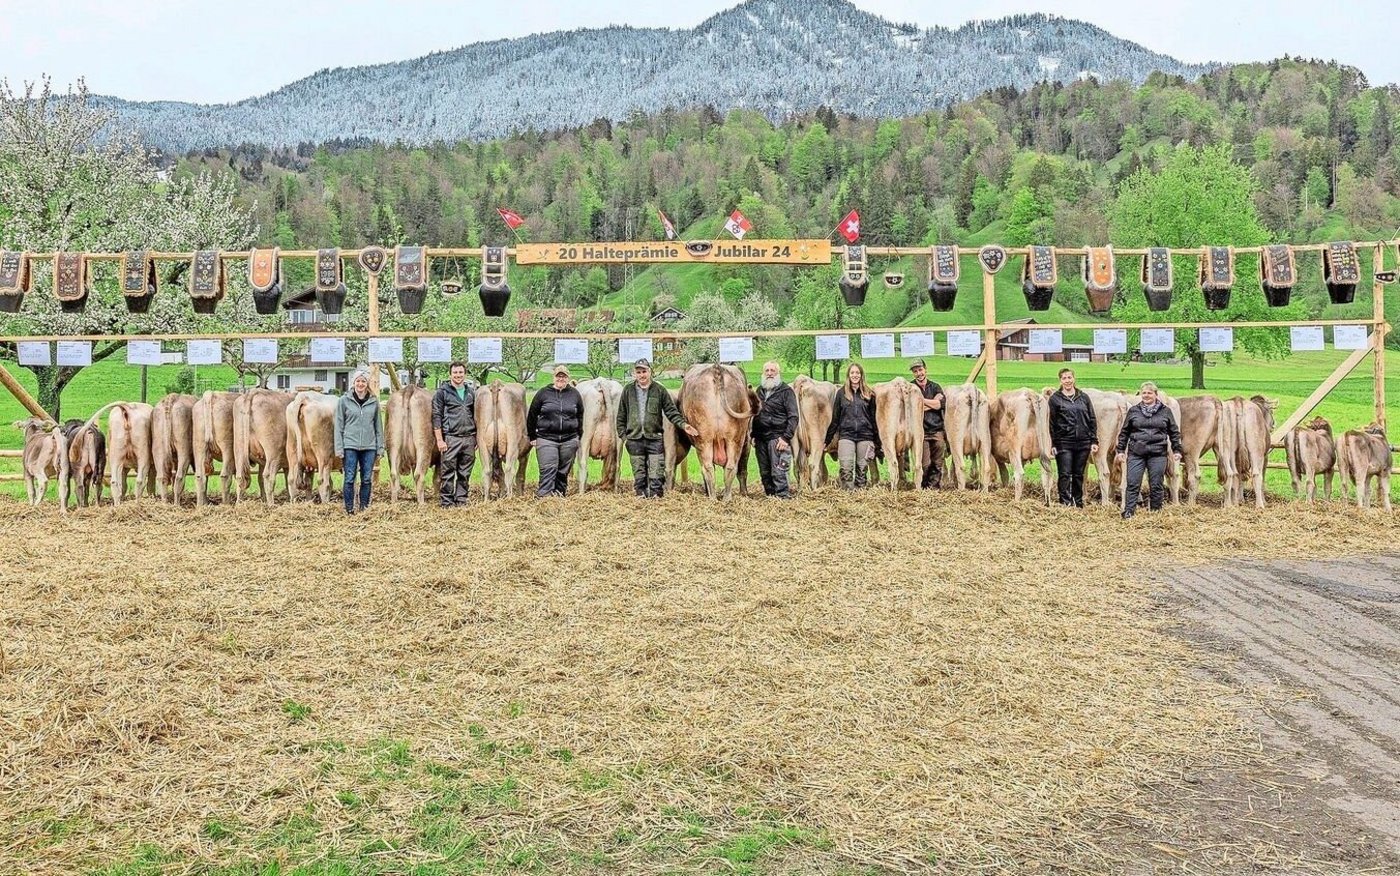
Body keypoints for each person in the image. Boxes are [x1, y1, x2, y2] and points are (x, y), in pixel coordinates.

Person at [615, 358, 697, 498]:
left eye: (644, 371)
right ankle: (640, 496)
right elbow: (621, 416)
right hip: (634, 439)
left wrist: (684, 425)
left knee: (656, 472)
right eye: (639, 372)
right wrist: (624, 437)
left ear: (650, 372)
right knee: (639, 472)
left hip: (654, 438)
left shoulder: (659, 390)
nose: (642, 375)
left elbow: (671, 411)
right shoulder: (628, 390)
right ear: (635, 373)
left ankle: (655, 499)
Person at [1115, 381, 1183, 519]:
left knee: (1156, 483)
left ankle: (1156, 512)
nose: (1146, 396)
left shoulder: (1165, 411)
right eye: (1144, 393)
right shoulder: (1134, 411)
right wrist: (1121, 450)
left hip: (1158, 453)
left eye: (1149, 393)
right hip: (1136, 452)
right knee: (1133, 482)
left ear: (1155, 394)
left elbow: (1174, 432)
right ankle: (1129, 511)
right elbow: (1125, 432)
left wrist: (1177, 449)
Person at [527, 365, 584, 498]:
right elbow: (532, 415)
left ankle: (559, 495)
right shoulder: (543, 393)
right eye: (558, 376)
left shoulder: (574, 394)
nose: (561, 378)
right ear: (554, 377)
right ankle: (545, 497)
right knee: (548, 468)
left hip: (569, 439)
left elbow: (580, 415)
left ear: (568, 378)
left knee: (563, 471)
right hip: (547, 438)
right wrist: (532, 436)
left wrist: (578, 436)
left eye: (563, 376)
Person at [334, 369, 384, 514]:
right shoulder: (344, 401)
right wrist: (339, 448)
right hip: (350, 445)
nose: (360, 384)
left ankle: (364, 508)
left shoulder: (373, 402)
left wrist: (380, 448)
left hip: (369, 446)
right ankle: (349, 508)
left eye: (363, 381)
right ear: (353, 383)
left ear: (367, 383)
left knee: (367, 478)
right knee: (350, 478)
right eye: (358, 381)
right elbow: (339, 426)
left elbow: (378, 427)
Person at [1047, 367, 1099, 507]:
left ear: (1074, 379)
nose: (1067, 381)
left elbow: (1092, 418)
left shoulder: (1083, 397)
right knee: (1065, 473)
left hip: (1083, 441)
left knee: (1078, 474)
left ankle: (1078, 500)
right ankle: (1065, 501)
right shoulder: (1055, 399)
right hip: (1064, 442)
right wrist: (1053, 443)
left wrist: (1093, 439)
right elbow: (1051, 423)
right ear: (1060, 381)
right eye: (1064, 378)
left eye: (1069, 377)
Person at [824, 362, 881, 489]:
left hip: (865, 436)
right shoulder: (841, 394)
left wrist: (878, 441)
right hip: (846, 436)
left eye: (857, 373)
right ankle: (848, 495)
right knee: (846, 467)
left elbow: (874, 419)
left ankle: (860, 495)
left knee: (862, 469)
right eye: (852, 373)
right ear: (848, 375)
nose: (855, 375)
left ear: (861, 375)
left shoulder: (869, 394)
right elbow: (835, 419)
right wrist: (827, 440)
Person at [432, 361, 477, 507]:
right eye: (455, 372)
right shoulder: (442, 392)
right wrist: (440, 440)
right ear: (450, 374)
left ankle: (461, 500)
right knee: (448, 471)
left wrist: (476, 438)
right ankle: (447, 501)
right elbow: (436, 416)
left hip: (469, 437)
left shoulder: (471, 392)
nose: (458, 375)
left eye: (461, 372)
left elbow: (476, 415)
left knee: (465, 472)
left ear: (465, 374)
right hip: (451, 437)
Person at [752, 361, 799, 498]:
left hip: (777, 438)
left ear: (778, 373)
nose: (769, 373)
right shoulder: (759, 391)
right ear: (763, 373)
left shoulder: (786, 392)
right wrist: (753, 435)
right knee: (765, 471)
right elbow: (755, 415)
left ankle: (783, 497)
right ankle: (770, 497)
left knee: (778, 471)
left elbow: (793, 416)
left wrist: (786, 438)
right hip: (761, 438)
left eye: (773, 371)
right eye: (767, 371)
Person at [908, 359, 945, 489]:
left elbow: (940, 404)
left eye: (920, 370)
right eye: (915, 371)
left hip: (937, 429)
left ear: (925, 369)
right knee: (925, 463)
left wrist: (921, 401)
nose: (919, 373)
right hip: (920, 431)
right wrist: (933, 403)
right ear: (913, 373)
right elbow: (912, 408)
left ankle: (934, 488)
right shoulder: (910, 387)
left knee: (937, 462)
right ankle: (924, 486)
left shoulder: (935, 386)